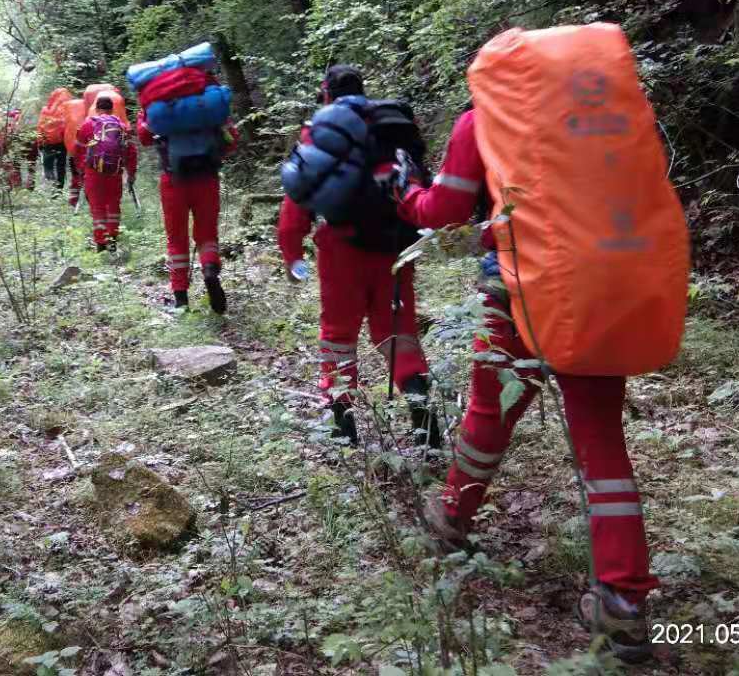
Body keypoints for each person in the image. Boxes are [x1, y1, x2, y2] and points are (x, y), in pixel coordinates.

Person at [392, 107, 657, 662]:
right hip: (606, 287)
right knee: (603, 443)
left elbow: (441, 211)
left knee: (490, 412)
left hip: (519, 296)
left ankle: (451, 520)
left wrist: (408, 187)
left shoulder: (482, 119)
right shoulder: (605, 113)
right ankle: (625, 600)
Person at [277, 64, 435, 446]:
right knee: (397, 332)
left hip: (341, 249)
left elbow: (297, 201)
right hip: (396, 247)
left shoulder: (323, 130)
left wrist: (292, 252)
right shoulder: (393, 125)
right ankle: (426, 430)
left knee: (338, 334)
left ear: (327, 93)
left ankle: (344, 431)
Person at [137, 113, 237, 312]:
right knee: (207, 234)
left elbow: (144, 137)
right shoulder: (208, 99)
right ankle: (209, 270)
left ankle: (181, 299)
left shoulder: (156, 99)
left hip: (173, 180)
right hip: (207, 179)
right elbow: (232, 139)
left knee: (176, 239)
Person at [71, 95, 137, 253]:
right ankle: (113, 239)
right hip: (115, 173)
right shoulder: (121, 126)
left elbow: (78, 150)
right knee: (113, 204)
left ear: (96, 108)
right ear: (112, 108)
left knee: (98, 207)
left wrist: (81, 170)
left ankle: (101, 243)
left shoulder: (88, 125)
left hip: (93, 173)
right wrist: (131, 173)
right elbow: (131, 151)